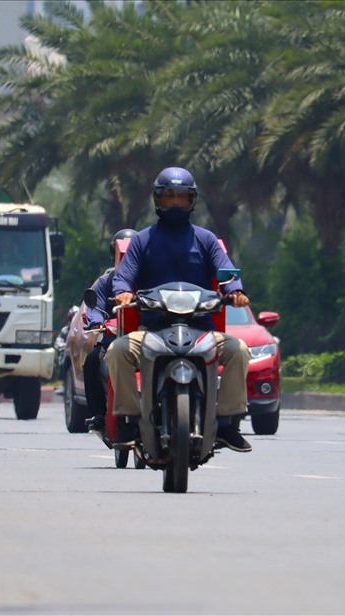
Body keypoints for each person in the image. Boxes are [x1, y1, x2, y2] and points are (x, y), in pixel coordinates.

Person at [105, 167, 253, 452]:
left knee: (240, 350)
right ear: (157, 200)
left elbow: (226, 271)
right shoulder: (142, 240)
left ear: (192, 200)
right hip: (153, 331)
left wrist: (236, 291)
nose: (175, 202)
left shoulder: (206, 239)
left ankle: (227, 423)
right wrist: (122, 291)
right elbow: (124, 275)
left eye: (181, 197)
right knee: (116, 351)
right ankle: (129, 421)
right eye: (169, 196)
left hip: (201, 331)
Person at [81, 228, 137, 432]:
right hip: (112, 340)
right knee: (91, 362)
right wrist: (97, 322)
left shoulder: (147, 278)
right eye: (120, 252)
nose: (125, 257)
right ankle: (99, 413)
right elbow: (94, 308)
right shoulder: (106, 281)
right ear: (113, 254)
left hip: (144, 339)